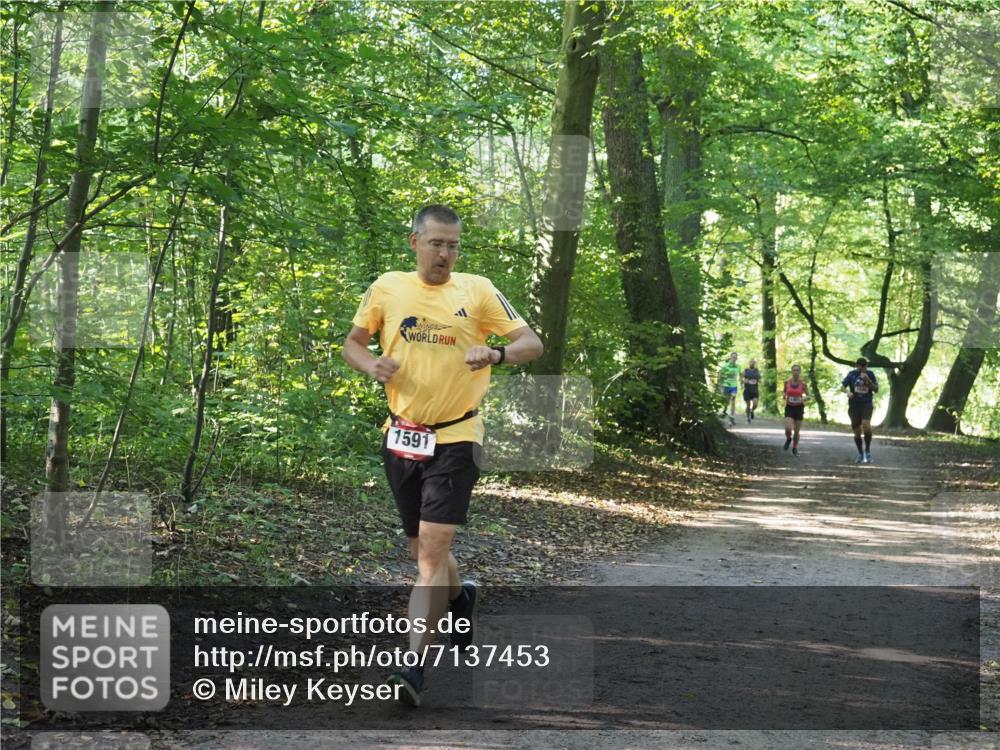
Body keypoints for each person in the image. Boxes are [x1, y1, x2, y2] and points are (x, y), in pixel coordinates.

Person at [342, 205, 543, 707]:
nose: (445, 254)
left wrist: (495, 354)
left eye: (453, 245)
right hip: (402, 436)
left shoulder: (476, 290)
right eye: (436, 243)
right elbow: (352, 343)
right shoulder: (386, 287)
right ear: (414, 242)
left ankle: (413, 666)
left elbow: (531, 343)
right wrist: (371, 365)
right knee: (420, 550)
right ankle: (460, 597)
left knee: (429, 558)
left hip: (457, 436)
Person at [842, 357, 878, 464]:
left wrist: (868, 380)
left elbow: (876, 389)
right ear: (857, 365)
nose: (862, 367)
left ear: (866, 366)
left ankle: (867, 451)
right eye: (860, 365)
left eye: (864, 365)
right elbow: (842, 387)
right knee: (857, 431)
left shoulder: (870, 374)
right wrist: (847, 392)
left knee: (866, 424)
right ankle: (860, 453)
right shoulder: (852, 374)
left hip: (866, 404)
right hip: (854, 405)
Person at [781, 364, 810, 457]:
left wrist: (804, 399)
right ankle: (789, 438)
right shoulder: (787, 382)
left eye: (797, 370)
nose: (796, 372)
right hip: (789, 407)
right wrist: (784, 395)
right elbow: (784, 392)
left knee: (796, 431)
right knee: (788, 428)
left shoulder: (803, 384)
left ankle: (795, 447)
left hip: (799, 408)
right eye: (794, 370)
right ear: (791, 371)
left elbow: (809, 396)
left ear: (800, 372)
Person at [718, 352, 740, 426]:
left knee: (733, 399)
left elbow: (740, 375)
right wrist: (720, 386)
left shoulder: (738, 366)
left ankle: (732, 416)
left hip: (734, 386)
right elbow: (720, 375)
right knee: (726, 401)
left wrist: (742, 380)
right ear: (730, 357)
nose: (734, 358)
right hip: (726, 385)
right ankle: (724, 410)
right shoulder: (726, 366)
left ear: (736, 358)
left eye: (735, 357)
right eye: (733, 357)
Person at [742, 358, 761, 424]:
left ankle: (752, 411)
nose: (752, 363)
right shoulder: (746, 370)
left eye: (753, 362)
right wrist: (744, 381)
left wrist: (759, 381)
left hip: (755, 390)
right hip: (747, 390)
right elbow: (741, 378)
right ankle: (748, 418)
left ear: (755, 363)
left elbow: (759, 379)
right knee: (748, 405)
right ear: (749, 363)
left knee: (755, 404)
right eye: (751, 362)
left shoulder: (757, 371)